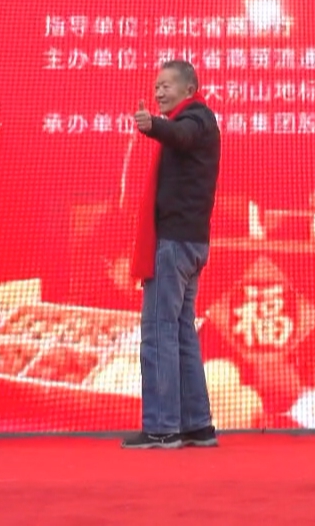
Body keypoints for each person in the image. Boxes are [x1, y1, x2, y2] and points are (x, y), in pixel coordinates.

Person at [122, 60, 221, 450]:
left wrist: (153, 126)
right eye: (156, 86)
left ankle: (162, 426)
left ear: (189, 89)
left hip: (175, 244)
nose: (159, 92)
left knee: (160, 332)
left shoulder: (196, 119)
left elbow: (180, 135)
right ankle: (196, 425)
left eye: (166, 85)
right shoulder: (199, 120)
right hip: (189, 243)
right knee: (180, 332)